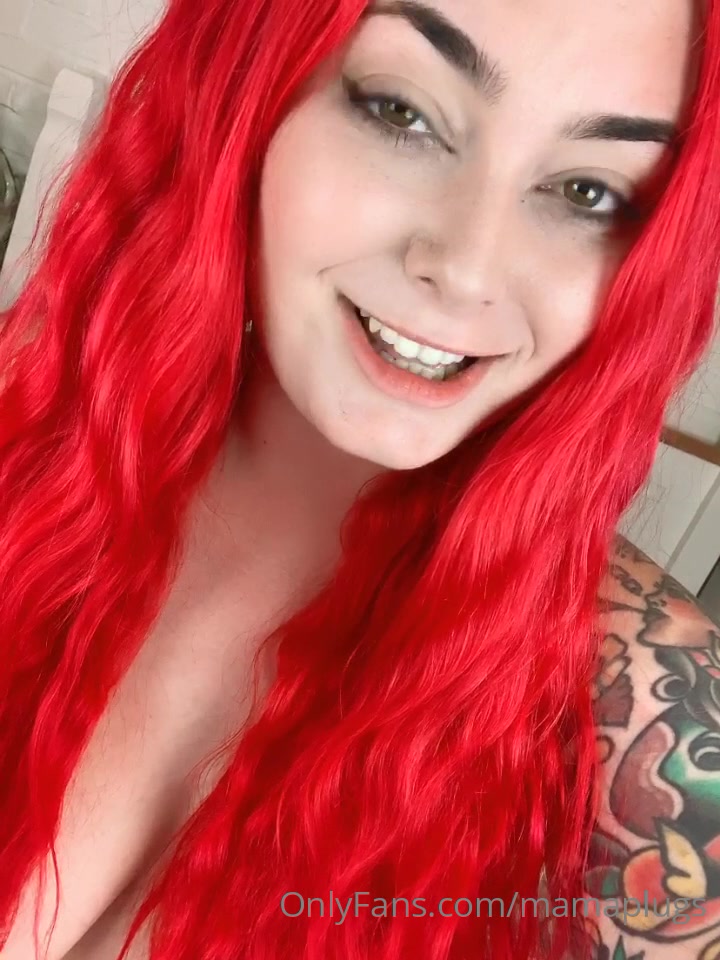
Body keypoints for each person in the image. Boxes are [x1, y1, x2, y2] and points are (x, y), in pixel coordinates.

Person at [0, 0, 719, 957]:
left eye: (589, 192)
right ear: (248, 86)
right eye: (401, 112)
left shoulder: (659, 735)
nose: (465, 268)